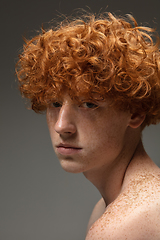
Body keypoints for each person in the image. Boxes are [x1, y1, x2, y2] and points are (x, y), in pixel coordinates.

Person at [16, 12, 160, 239]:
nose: (62, 126)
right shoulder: (107, 208)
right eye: (54, 103)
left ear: (135, 113)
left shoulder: (124, 223)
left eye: (89, 104)